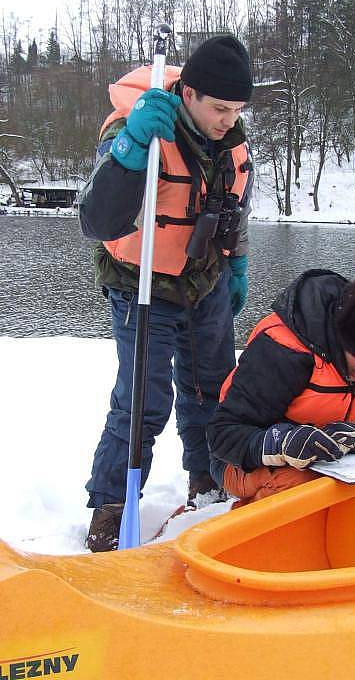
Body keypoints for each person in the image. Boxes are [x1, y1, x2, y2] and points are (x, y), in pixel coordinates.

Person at [79, 35, 254, 552]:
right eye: (219, 108)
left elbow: (237, 208)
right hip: (142, 286)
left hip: (205, 283)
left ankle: (208, 483)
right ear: (189, 93)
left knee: (212, 390)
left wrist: (238, 264)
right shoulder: (137, 127)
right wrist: (131, 150)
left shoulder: (233, 141)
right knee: (142, 400)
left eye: (237, 109)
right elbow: (97, 219)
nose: (228, 119)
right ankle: (112, 504)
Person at [207, 269, 355, 503]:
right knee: (296, 484)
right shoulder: (284, 353)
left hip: (329, 462)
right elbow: (222, 435)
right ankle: (243, 530)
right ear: (343, 341)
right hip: (238, 459)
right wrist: (284, 443)